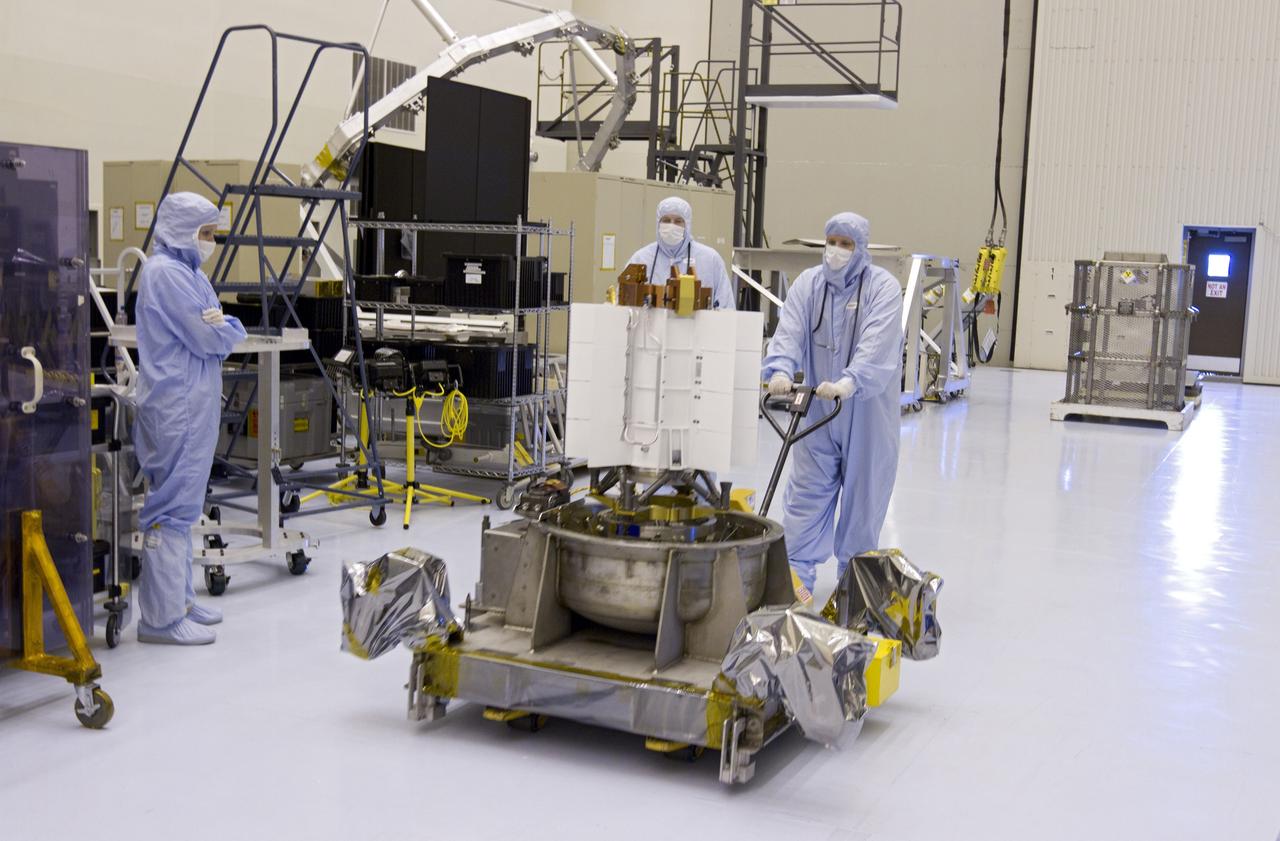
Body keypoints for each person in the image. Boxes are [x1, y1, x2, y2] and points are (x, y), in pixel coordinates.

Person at [761, 212, 902, 595]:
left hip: (867, 410)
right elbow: (789, 329)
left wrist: (851, 380)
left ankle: (853, 588)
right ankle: (794, 583)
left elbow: (877, 341)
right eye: (832, 242)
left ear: (861, 249)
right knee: (807, 493)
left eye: (846, 244)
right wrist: (780, 369)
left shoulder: (882, 288)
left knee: (863, 500)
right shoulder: (808, 284)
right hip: (819, 409)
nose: (836, 251)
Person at [133, 192, 246, 645]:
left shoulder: (189, 273)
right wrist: (223, 326)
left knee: (185, 506)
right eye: (205, 234)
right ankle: (159, 620)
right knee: (170, 509)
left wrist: (221, 325)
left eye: (213, 233)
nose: (210, 242)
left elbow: (217, 329)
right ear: (181, 230)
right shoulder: (165, 274)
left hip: (191, 403)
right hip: (174, 405)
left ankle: (179, 601)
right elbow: (209, 336)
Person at [625, 196, 736, 310]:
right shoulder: (641, 259)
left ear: (687, 225)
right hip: (652, 327)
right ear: (658, 223)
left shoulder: (710, 259)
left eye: (678, 221)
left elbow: (726, 308)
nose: (671, 225)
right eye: (666, 220)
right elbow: (624, 304)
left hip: (698, 327)